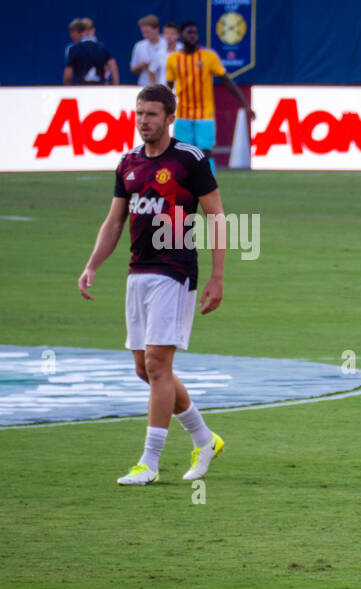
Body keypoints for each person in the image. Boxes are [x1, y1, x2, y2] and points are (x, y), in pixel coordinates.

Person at [77, 85, 227, 487]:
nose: (144, 121)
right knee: (145, 369)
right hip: (137, 272)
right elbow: (114, 222)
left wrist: (217, 276)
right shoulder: (128, 164)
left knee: (159, 365)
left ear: (169, 118)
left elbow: (216, 217)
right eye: (140, 113)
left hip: (175, 270)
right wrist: (93, 264)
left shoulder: (190, 161)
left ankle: (150, 462)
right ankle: (203, 438)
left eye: (152, 115)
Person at [166, 21, 255, 174]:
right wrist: (165, 109)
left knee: (205, 153)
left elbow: (226, 81)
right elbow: (169, 86)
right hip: (182, 113)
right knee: (182, 154)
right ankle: (183, 188)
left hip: (205, 113)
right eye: (189, 33)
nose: (193, 36)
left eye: (195, 33)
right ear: (182, 35)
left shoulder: (208, 56)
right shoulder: (173, 59)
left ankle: (208, 186)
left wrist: (245, 104)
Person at [65, 18, 118, 85]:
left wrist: (68, 90)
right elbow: (113, 68)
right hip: (100, 88)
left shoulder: (73, 49)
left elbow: (68, 76)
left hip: (81, 89)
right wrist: (115, 87)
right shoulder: (101, 48)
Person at [130, 15, 169, 86]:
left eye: (148, 32)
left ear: (156, 29)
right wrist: (140, 66)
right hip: (144, 85)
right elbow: (133, 69)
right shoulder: (139, 46)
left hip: (164, 85)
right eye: (143, 33)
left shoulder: (167, 44)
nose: (145, 35)